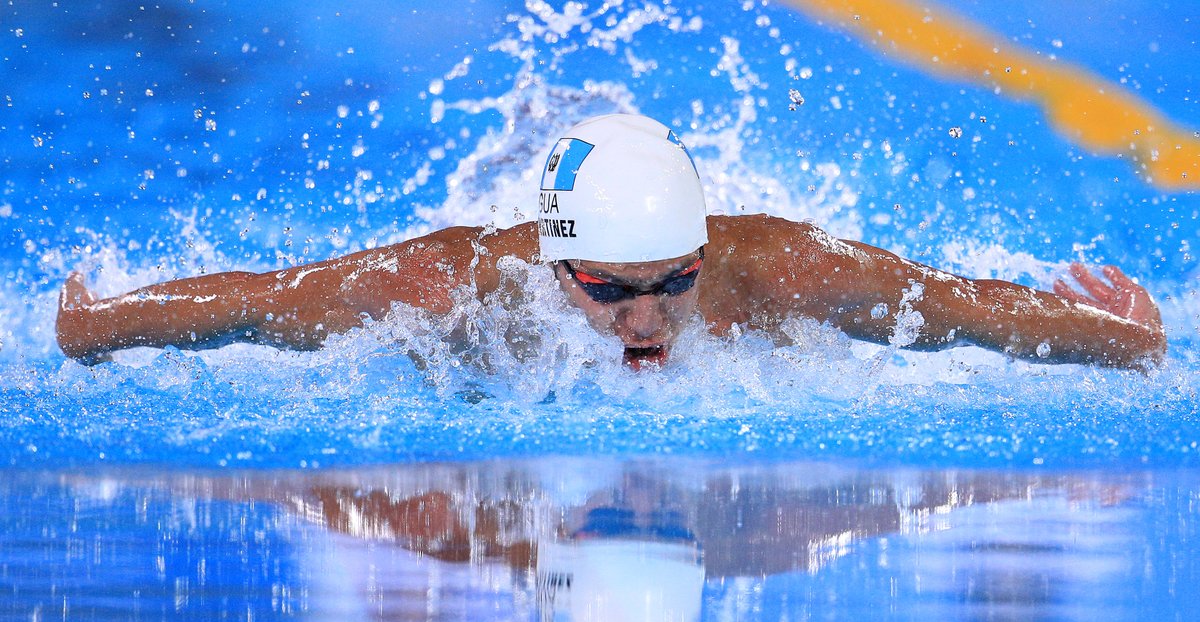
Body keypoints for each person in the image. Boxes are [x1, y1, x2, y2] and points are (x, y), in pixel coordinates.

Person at [56, 113, 1166, 370]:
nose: (646, 322)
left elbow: (957, 306)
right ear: (553, 267)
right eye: (609, 292)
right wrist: (98, 326)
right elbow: (260, 300)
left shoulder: (779, 268)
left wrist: (1117, 341)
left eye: (671, 284)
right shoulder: (450, 288)